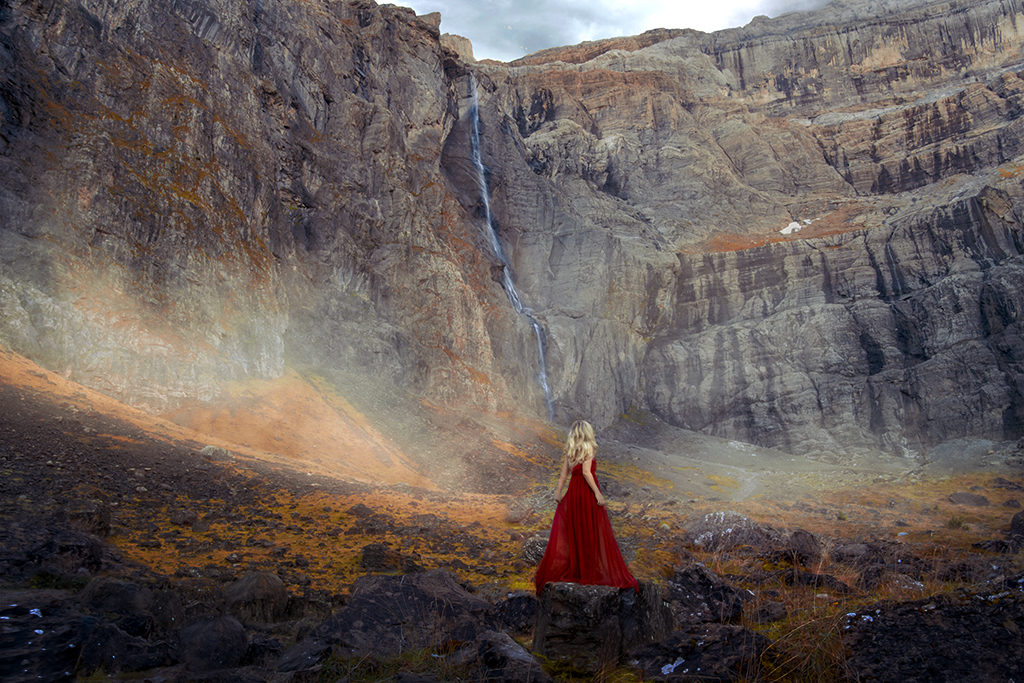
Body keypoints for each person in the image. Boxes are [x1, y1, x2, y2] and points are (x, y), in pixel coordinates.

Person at [534, 420, 639, 594]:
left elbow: (562, 476)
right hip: (586, 493)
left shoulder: (570, 451)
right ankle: (590, 571)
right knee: (590, 531)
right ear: (587, 432)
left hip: (573, 494)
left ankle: (579, 569)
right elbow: (586, 472)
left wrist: (558, 493)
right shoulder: (589, 448)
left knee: (576, 532)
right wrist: (598, 493)